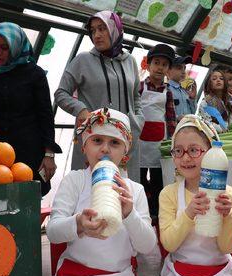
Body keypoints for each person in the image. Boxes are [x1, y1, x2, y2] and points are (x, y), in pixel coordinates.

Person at [43, 108, 163, 276]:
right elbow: (53, 232)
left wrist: (130, 214)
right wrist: (78, 224)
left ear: (125, 152)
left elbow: (147, 245)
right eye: (97, 141)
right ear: (84, 147)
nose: (105, 149)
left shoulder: (135, 190)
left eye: (114, 143)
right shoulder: (74, 182)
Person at [157, 115, 232, 276]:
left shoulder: (227, 194)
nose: (186, 157)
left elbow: (227, 247)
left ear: (211, 153)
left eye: (194, 150)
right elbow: (169, 244)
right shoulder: (169, 194)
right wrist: (188, 214)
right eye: (178, 151)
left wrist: (227, 217)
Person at [55, 10, 143, 182]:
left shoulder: (130, 61)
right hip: (95, 140)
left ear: (115, 30)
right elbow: (61, 93)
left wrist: (138, 120)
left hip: (127, 138)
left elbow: (136, 97)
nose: (97, 35)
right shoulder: (83, 60)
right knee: (92, 191)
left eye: (102, 29)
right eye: (93, 30)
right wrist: (81, 110)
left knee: (124, 191)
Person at [0, 22, 60, 195]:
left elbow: (45, 115)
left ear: (16, 46)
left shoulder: (34, 74)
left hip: (29, 149)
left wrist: (49, 154)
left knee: (27, 200)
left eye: (4, 47)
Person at [137, 44, 177, 217]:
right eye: (156, 63)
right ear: (148, 65)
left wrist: (172, 141)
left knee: (158, 182)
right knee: (138, 180)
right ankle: (139, 212)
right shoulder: (139, 87)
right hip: (139, 142)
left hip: (159, 145)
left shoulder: (168, 92)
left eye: (164, 65)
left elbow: (170, 118)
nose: (160, 68)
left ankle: (156, 215)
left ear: (168, 69)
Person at [198, 67, 232, 133]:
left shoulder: (229, 102)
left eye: (221, 78)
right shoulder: (205, 102)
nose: (218, 80)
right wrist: (224, 130)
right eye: (214, 79)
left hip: (229, 135)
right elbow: (207, 123)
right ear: (209, 83)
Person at [167, 55, 195, 121]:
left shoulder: (185, 92)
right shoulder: (166, 89)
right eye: (179, 68)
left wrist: (192, 99)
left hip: (186, 128)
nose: (183, 71)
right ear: (168, 71)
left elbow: (192, 112)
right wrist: (177, 118)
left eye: (184, 68)